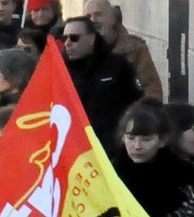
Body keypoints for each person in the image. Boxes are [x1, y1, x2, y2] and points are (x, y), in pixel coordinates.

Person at [57, 18, 143, 150]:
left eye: (74, 38)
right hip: (73, 146)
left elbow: (136, 102)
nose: (67, 43)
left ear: (91, 39)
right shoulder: (60, 68)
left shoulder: (117, 64)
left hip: (110, 145)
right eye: (64, 38)